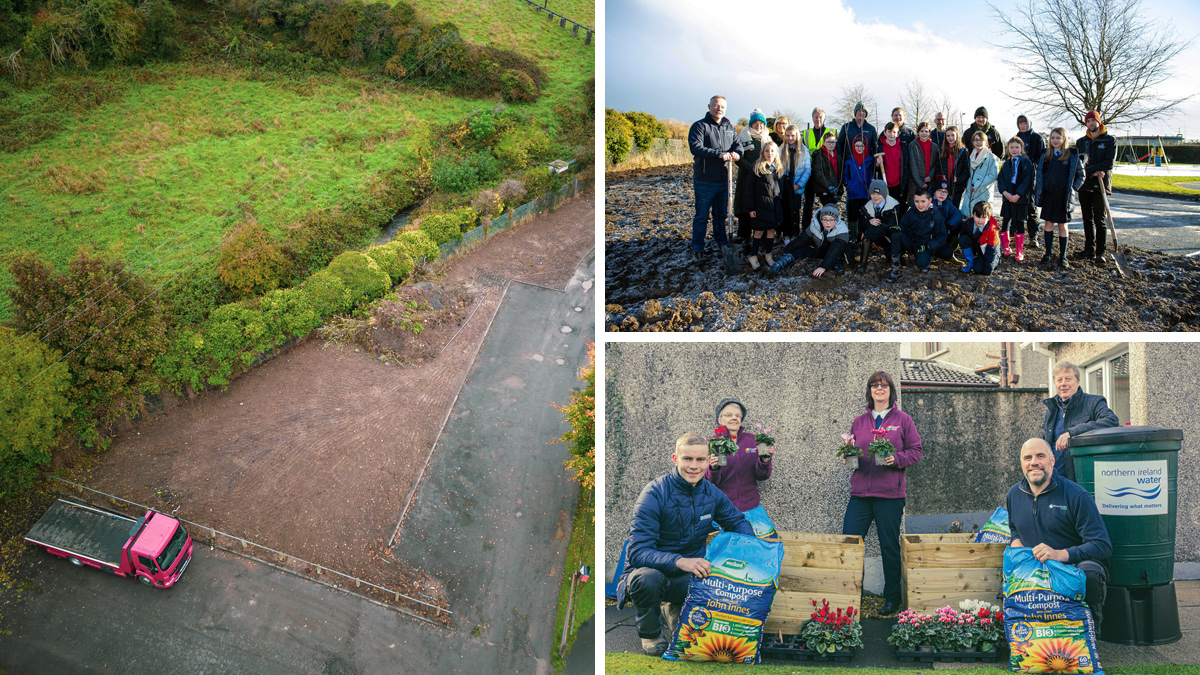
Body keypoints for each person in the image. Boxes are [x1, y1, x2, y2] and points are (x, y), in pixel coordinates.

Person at [616, 432, 755, 655]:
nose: (694, 466)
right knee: (647, 579)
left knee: (719, 578)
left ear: (707, 460)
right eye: (687, 459)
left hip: (687, 577)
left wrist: (753, 553)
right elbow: (637, 552)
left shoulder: (712, 494)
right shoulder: (654, 493)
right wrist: (680, 561)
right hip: (649, 572)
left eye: (700, 460)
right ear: (675, 459)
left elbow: (737, 522)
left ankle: (674, 609)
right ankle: (651, 634)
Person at [1007, 437, 1112, 628]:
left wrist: (1060, 554)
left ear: (1052, 460)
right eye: (1028, 458)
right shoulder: (1014, 494)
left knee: (1090, 573)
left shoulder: (1076, 495)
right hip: (1034, 570)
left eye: (1040, 456)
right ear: (1022, 463)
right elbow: (1014, 526)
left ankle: (1090, 636)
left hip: (1070, 568)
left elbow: (1102, 545)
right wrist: (1016, 542)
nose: (1034, 463)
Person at [842, 371, 922, 616]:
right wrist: (849, 457)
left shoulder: (903, 419)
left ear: (890, 390)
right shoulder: (859, 421)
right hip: (860, 496)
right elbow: (852, 450)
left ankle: (892, 598)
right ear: (870, 391)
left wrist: (895, 458)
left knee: (889, 547)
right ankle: (852, 596)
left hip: (890, 496)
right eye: (875, 385)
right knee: (851, 543)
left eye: (884, 385)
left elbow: (916, 451)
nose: (879, 388)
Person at [1040, 361, 1119, 482]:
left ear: (1078, 382)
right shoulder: (1052, 410)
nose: (1063, 384)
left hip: (1082, 481)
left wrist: (1072, 433)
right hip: (1055, 481)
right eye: (1059, 380)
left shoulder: (1093, 402)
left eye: (1068, 379)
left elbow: (1111, 420)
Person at [687, 95, 743, 262]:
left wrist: (737, 154)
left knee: (720, 215)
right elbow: (695, 148)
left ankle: (721, 242)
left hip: (724, 179)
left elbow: (738, 145)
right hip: (705, 179)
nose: (719, 109)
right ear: (709, 106)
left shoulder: (729, 127)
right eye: (716, 106)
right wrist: (719, 155)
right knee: (702, 216)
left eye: (722, 107)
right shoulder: (699, 126)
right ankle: (698, 247)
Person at [706, 398, 775, 509]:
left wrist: (765, 462)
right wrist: (713, 468)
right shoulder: (713, 443)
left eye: (738, 416)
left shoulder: (753, 440)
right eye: (728, 415)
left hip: (751, 508)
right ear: (720, 420)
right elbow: (709, 481)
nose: (734, 418)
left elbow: (762, 476)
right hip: (723, 509)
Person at [1034, 127, 1085, 268]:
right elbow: (1040, 175)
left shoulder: (1072, 155)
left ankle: (1063, 256)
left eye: (1058, 138)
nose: (1055, 140)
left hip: (1064, 197)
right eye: (1053, 138)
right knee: (1048, 224)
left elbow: (1081, 175)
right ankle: (1048, 253)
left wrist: (1073, 188)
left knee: (1062, 226)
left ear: (1064, 139)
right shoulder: (1046, 155)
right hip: (1049, 196)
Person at [1074, 110, 1115, 264]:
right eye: (1088, 121)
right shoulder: (1081, 142)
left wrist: (1090, 170)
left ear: (1099, 122)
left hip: (1101, 185)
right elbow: (1079, 163)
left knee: (1100, 219)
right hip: (1084, 185)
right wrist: (1090, 172)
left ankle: (1100, 252)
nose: (1091, 124)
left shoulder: (1109, 140)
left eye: (1093, 120)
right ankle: (1089, 249)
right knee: (1087, 219)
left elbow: (1108, 163)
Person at [886, 188, 947, 283]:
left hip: (924, 245)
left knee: (921, 263)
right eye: (917, 201)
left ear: (930, 200)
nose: (920, 205)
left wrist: (928, 246)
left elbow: (942, 237)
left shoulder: (936, 215)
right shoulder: (911, 211)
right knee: (896, 235)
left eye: (923, 201)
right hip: (911, 242)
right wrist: (899, 228)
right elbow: (904, 225)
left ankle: (926, 260)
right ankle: (896, 268)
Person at [771, 204, 850, 277]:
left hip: (835, 252)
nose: (828, 223)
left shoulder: (842, 230)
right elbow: (802, 239)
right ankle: (777, 266)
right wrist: (787, 249)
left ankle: (837, 264)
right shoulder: (815, 226)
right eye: (825, 219)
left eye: (831, 220)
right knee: (797, 251)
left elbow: (835, 249)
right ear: (821, 219)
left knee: (840, 252)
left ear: (836, 220)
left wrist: (823, 266)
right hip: (820, 248)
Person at [734, 110, 770, 254]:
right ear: (751, 124)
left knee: (759, 206)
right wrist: (752, 168)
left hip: (761, 177)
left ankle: (759, 236)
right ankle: (744, 237)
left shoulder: (767, 139)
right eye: (756, 124)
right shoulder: (743, 137)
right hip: (746, 177)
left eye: (761, 124)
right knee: (745, 208)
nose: (758, 126)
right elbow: (738, 157)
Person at [747, 141, 784, 270]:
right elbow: (750, 188)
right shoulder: (757, 167)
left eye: (772, 151)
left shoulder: (778, 168)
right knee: (758, 231)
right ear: (763, 152)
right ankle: (753, 255)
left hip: (774, 206)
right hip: (760, 206)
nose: (770, 153)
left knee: (771, 230)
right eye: (767, 151)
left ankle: (768, 254)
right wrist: (751, 207)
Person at [997, 137, 1035, 260]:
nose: (1014, 150)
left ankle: (1019, 251)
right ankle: (1006, 248)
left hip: (1020, 197)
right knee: (1005, 222)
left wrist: (1018, 194)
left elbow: (1028, 180)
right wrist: (1005, 193)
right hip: (1008, 196)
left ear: (1022, 148)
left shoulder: (1026, 163)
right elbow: (1001, 179)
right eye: (1011, 147)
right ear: (1008, 149)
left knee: (1019, 222)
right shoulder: (1006, 164)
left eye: (1017, 147)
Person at [858, 179, 902, 272]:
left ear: (884, 194)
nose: (875, 197)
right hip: (876, 235)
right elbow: (860, 225)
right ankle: (862, 264)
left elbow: (893, 226)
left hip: (889, 237)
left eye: (879, 194)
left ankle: (897, 259)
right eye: (873, 194)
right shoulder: (867, 206)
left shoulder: (893, 205)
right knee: (866, 235)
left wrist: (870, 231)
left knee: (890, 255)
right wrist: (869, 221)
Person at [1016, 115, 1046, 249]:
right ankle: (1018, 233)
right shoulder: (1017, 137)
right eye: (1020, 123)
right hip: (1019, 177)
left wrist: (1034, 169)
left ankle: (1033, 235)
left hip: (1032, 177)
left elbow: (1042, 158)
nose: (1023, 126)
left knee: (1031, 207)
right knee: (1019, 207)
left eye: (1025, 123)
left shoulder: (1037, 138)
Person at [844, 135, 874, 260]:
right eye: (857, 146)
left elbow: (872, 173)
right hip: (853, 193)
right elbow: (846, 175)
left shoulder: (869, 160)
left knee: (864, 215)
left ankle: (863, 235)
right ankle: (853, 236)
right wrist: (849, 185)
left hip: (865, 193)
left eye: (861, 146)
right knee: (853, 214)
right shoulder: (850, 161)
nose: (859, 148)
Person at [780, 124, 811, 242]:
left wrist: (799, 185)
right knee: (785, 210)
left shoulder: (804, 151)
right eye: (787, 135)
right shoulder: (781, 149)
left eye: (792, 135)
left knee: (796, 210)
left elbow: (807, 170)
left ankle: (795, 234)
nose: (790, 138)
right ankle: (786, 234)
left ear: (797, 136)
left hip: (797, 186)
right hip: (785, 185)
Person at [837, 102, 878, 190]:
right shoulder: (846, 127)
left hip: (866, 166)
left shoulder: (871, 129)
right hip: (850, 166)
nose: (861, 113)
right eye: (859, 111)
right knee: (851, 191)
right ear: (855, 112)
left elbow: (875, 147)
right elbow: (839, 145)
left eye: (863, 111)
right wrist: (842, 161)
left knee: (865, 192)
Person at [801, 108, 830, 229]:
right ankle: (805, 229)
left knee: (826, 203)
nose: (818, 119)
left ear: (824, 118)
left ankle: (826, 228)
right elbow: (802, 152)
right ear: (812, 118)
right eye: (816, 117)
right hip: (809, 173)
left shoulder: (831, 132)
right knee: (808, 204)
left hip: (824, 173)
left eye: (820, 117)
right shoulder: (805, 133)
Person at [959, 200, 1001, 275]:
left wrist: (988, 271)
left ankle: (994, 262)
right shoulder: (968, 223)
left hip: (989, 252)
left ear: (989, 217)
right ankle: (971, 261)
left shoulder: (992, 231)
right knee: (963, 238)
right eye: (978, 216)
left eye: (984, 218)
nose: (980, 220)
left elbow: (992, 252)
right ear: (973, 215)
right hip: (978, 247)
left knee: (978, 270)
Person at [963, 131, 998, 216]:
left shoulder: (992, 157)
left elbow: (993, 176)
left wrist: (976, 185)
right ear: (973, 142)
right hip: (970, 190)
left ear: (985, 142)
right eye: (976, 140)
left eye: (981, 140)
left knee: (982, 214)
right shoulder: (971, 156)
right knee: (969, 214)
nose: (978, 142)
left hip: (983, 191)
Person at [930, 178, 965, 257]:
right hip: (933, 235)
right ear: (934, 192)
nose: (942, 194)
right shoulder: (929, 202)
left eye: (945, 192)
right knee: (947, 253)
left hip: (944, 231)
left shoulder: (946, 202)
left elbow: (957, 214)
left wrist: (950, 224)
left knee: (961, 223)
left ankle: (951, 245)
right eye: (940, 191)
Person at [879, 122, 908, 217]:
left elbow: (905, 165)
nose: (892, 134)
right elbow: (874, 166)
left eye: (894, 132)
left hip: (898, 185)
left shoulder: (902, 147)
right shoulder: (879, 147)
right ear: (885, 133)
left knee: (898, 208)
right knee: (886, 209)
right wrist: (877, 162)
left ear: (898, 134)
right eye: (889, 132)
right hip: (885, 184)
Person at [937, 126, 969, 210]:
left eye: (952, 135)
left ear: (957, 136)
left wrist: (959, 179)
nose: (950, 138)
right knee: (942, 208)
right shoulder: (942, 150)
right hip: (944, 186)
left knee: (953, 208)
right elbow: (938, 167)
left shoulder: (963, 151)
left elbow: (966, 170)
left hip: (957, 187)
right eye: (948, 136)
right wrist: (940, 176)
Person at [810, 130, 842, 212]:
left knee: (832, 210)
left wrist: (840, 188)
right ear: (824, 143)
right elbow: (818, 173)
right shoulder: (819, 155)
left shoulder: (837, 156)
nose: (831, 144)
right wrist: (829, 186)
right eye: (828, 142)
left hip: (835, 188)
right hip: (824, 189)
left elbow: (839, 173)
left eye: (833, 142)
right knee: (829, 209)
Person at [907, 122, 937, 206]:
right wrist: (920, 182)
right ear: (918, 132)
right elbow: (913, 165)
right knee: (916, 205)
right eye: (921, 131)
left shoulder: (934, 146)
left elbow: (936, 164)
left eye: (926, 131)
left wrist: (930, 176)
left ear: (929, 133)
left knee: (928, 205)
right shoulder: (913, 145)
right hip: (916, 182)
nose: (924, 133)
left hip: (930, 182)